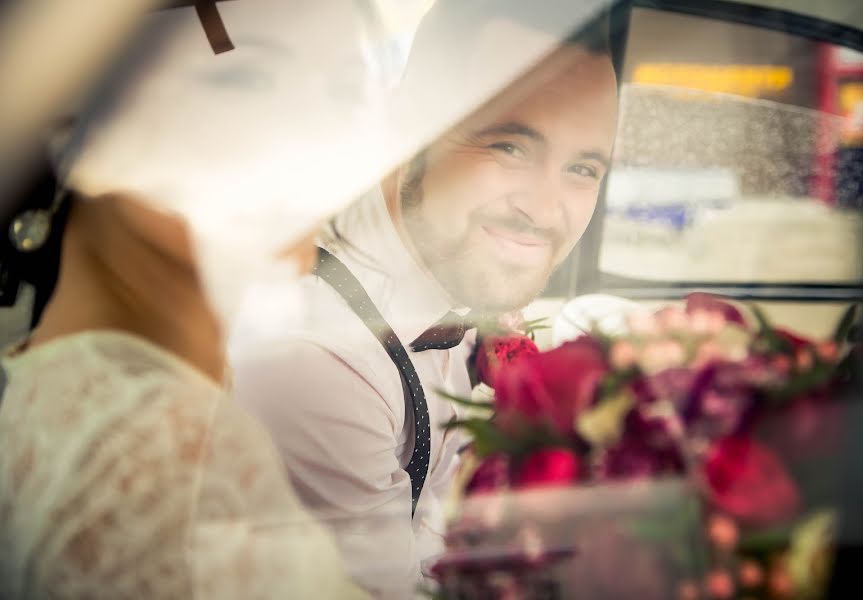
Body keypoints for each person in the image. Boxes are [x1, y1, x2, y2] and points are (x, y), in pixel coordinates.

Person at [230, 1, 620, 596]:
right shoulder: (318, 354)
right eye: (509, 147)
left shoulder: (453, 270)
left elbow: (432, 531)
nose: (543, 211)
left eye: (583, 168)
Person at [0, 2, 378, 598]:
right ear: (79, 119)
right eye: (245, 78)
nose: (314, 137)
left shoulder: (49, 384)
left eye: (344, 93)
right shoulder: (169, 446)